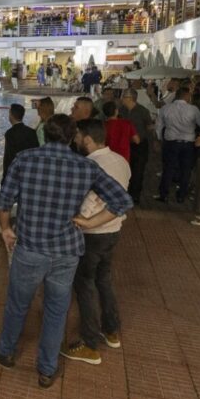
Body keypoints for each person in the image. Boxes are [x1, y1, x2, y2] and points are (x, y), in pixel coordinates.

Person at [0, 114, 133, 388]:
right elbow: (122, 201)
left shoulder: (25, 159)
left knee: (18, 304)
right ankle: (47, 369)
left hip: (30, 248)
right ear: (72, 137)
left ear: (45, 135)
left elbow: (4, 199)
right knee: (56, 309)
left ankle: (6, 352)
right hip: (66, 252)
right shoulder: (86, 167)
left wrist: (5, 229)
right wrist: (89, 222)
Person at [61, 120, 131, 365]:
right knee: (104, 279)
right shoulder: (120, 161)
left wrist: (82, 221)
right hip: (113, 231)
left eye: (78, 136)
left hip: (93, 235)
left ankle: (90, 344)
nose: (76, 140)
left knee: (85, 285)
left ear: (88, 139)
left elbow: (90, 202)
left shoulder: (92, 165)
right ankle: (111, 330)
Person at [154, 86, 200, 203]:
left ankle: (163, 194)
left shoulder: (166, 108)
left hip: (171, 142)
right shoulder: (193, 109)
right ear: (187, 96)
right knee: (186, 170)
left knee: (168, 168)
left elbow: (159, 126)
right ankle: (181, 195)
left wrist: (159, 139)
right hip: (188, 144)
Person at [120, 89, 152, 205]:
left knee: (138, 171)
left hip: (139, 145)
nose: (122, 99)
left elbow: (149, 127)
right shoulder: (121, 110)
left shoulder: (143, 111)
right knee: (124, 169)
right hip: (124, 144)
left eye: (124, 96)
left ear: (130, 98)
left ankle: (135, 195)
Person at [2, 103, 38, 181]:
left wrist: (4, 178)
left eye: (9, 113)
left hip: (15, 174)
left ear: (11, 115)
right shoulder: (31, 132)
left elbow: (8, 157)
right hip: (29, 171)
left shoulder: (10, 133)